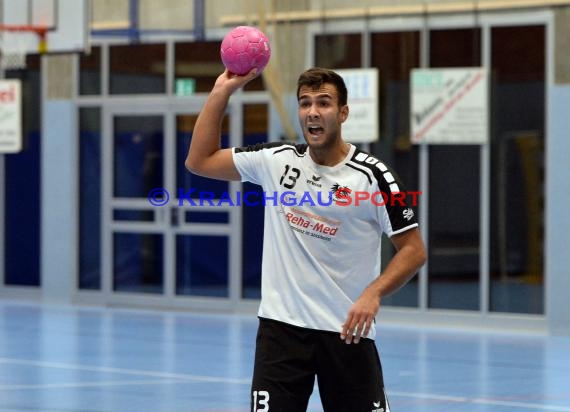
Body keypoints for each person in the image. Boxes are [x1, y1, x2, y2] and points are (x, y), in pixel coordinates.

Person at [186, 67, 427, 412]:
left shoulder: (372, 176)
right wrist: (221, 92)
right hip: (281, 332)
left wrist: (373, 293)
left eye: (324, 103)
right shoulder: (276, 161)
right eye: (305, 103)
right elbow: (200, 160)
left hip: (347, 331)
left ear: (343, 113)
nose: (313, 112)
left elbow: (413, 250)